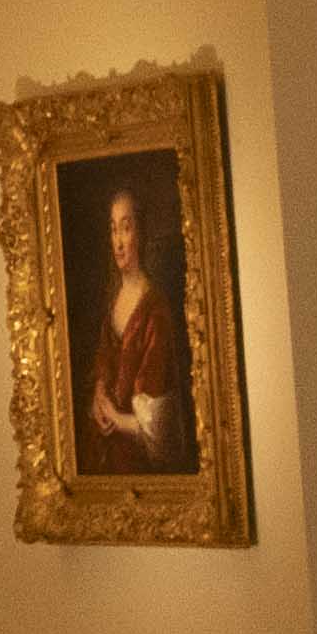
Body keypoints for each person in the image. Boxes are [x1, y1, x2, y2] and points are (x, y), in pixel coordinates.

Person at [83, 187, 186, 466]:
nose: (118, 242)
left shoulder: (155, 311)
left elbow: (158, 430)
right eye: (114, 230)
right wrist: (99, 396)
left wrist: (115, 419)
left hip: (137, 461)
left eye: (126, 229)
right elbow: (104, 362)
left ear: (140, 233)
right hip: (105, 453)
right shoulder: (113, 299)